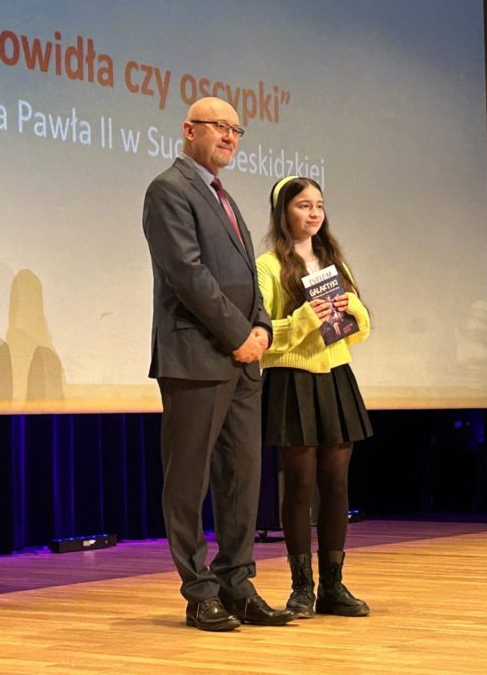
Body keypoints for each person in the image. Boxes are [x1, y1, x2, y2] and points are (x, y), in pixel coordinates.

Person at [142, 97, 294, 632]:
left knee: (241, 479)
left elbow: (247, 276)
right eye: (219, 127)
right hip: (197, 357)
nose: (230, 137)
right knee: (188, 481)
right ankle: (199, 591)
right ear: (189, 130)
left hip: (243, 360)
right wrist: (238, 335)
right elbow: (187, 274)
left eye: (236, 129)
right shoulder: (169, 189)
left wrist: (262, 328)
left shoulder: (223, 196)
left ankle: (237, 583)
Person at [257, 175, 373, 617]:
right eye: (304, 205)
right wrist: (304, 319)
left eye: (319, 205)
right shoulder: (267, 265)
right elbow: (260, 333)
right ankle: (301, 587)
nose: (314, 213)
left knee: (336, 483)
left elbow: (359, 331)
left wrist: (351, 308)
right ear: (283, 211)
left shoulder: (332, 262)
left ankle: (334, 586)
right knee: (300, 483)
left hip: (336, 376)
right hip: (292, 379)